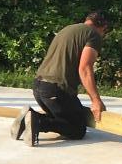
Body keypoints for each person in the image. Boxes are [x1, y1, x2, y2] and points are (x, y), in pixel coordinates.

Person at [11, 11, 110, 144]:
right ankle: (38, 121)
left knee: (64, 117)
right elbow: (85, 68)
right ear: (103, 26)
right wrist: (96, 101)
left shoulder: (67, 29)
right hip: (56, 90)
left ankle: (28, 117)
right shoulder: (93, 35)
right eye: (105, 32)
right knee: (77, 129)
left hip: (39, 87)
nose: (103, 35)